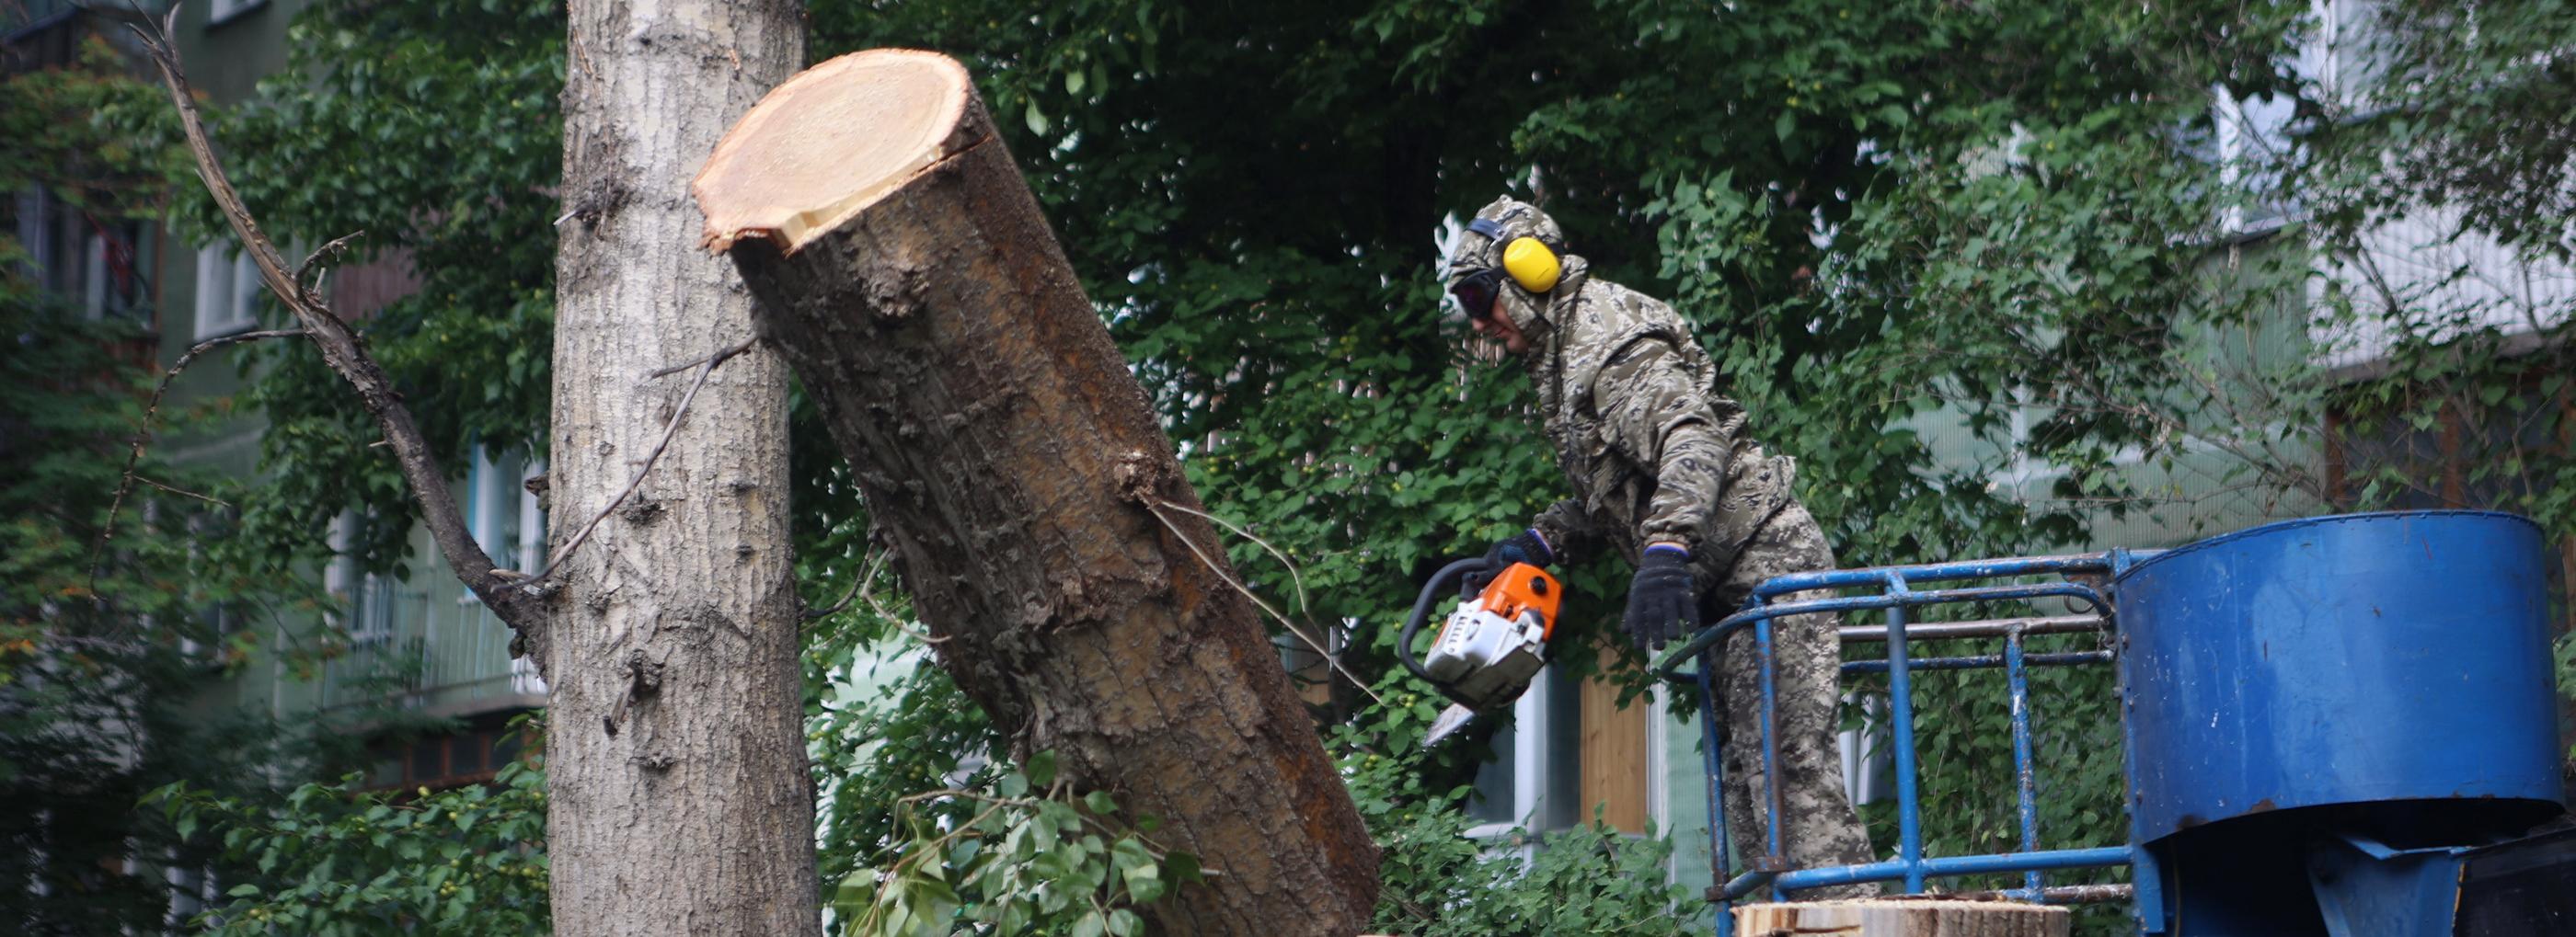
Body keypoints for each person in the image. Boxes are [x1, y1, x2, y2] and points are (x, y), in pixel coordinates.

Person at [1445, 194, 1872, 896]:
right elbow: (1617, 487)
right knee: (1747, 777)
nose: (1478, 318)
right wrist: (1540, 540)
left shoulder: (1607, 340)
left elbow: (1691, 439)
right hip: (1732, 580)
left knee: (1789, 769)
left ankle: (1848, 915)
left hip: (1767, 563)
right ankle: (1787, 913)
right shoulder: (1562, 357)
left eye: (1478, 295)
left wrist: (1667, 546)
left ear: (1528, 272)